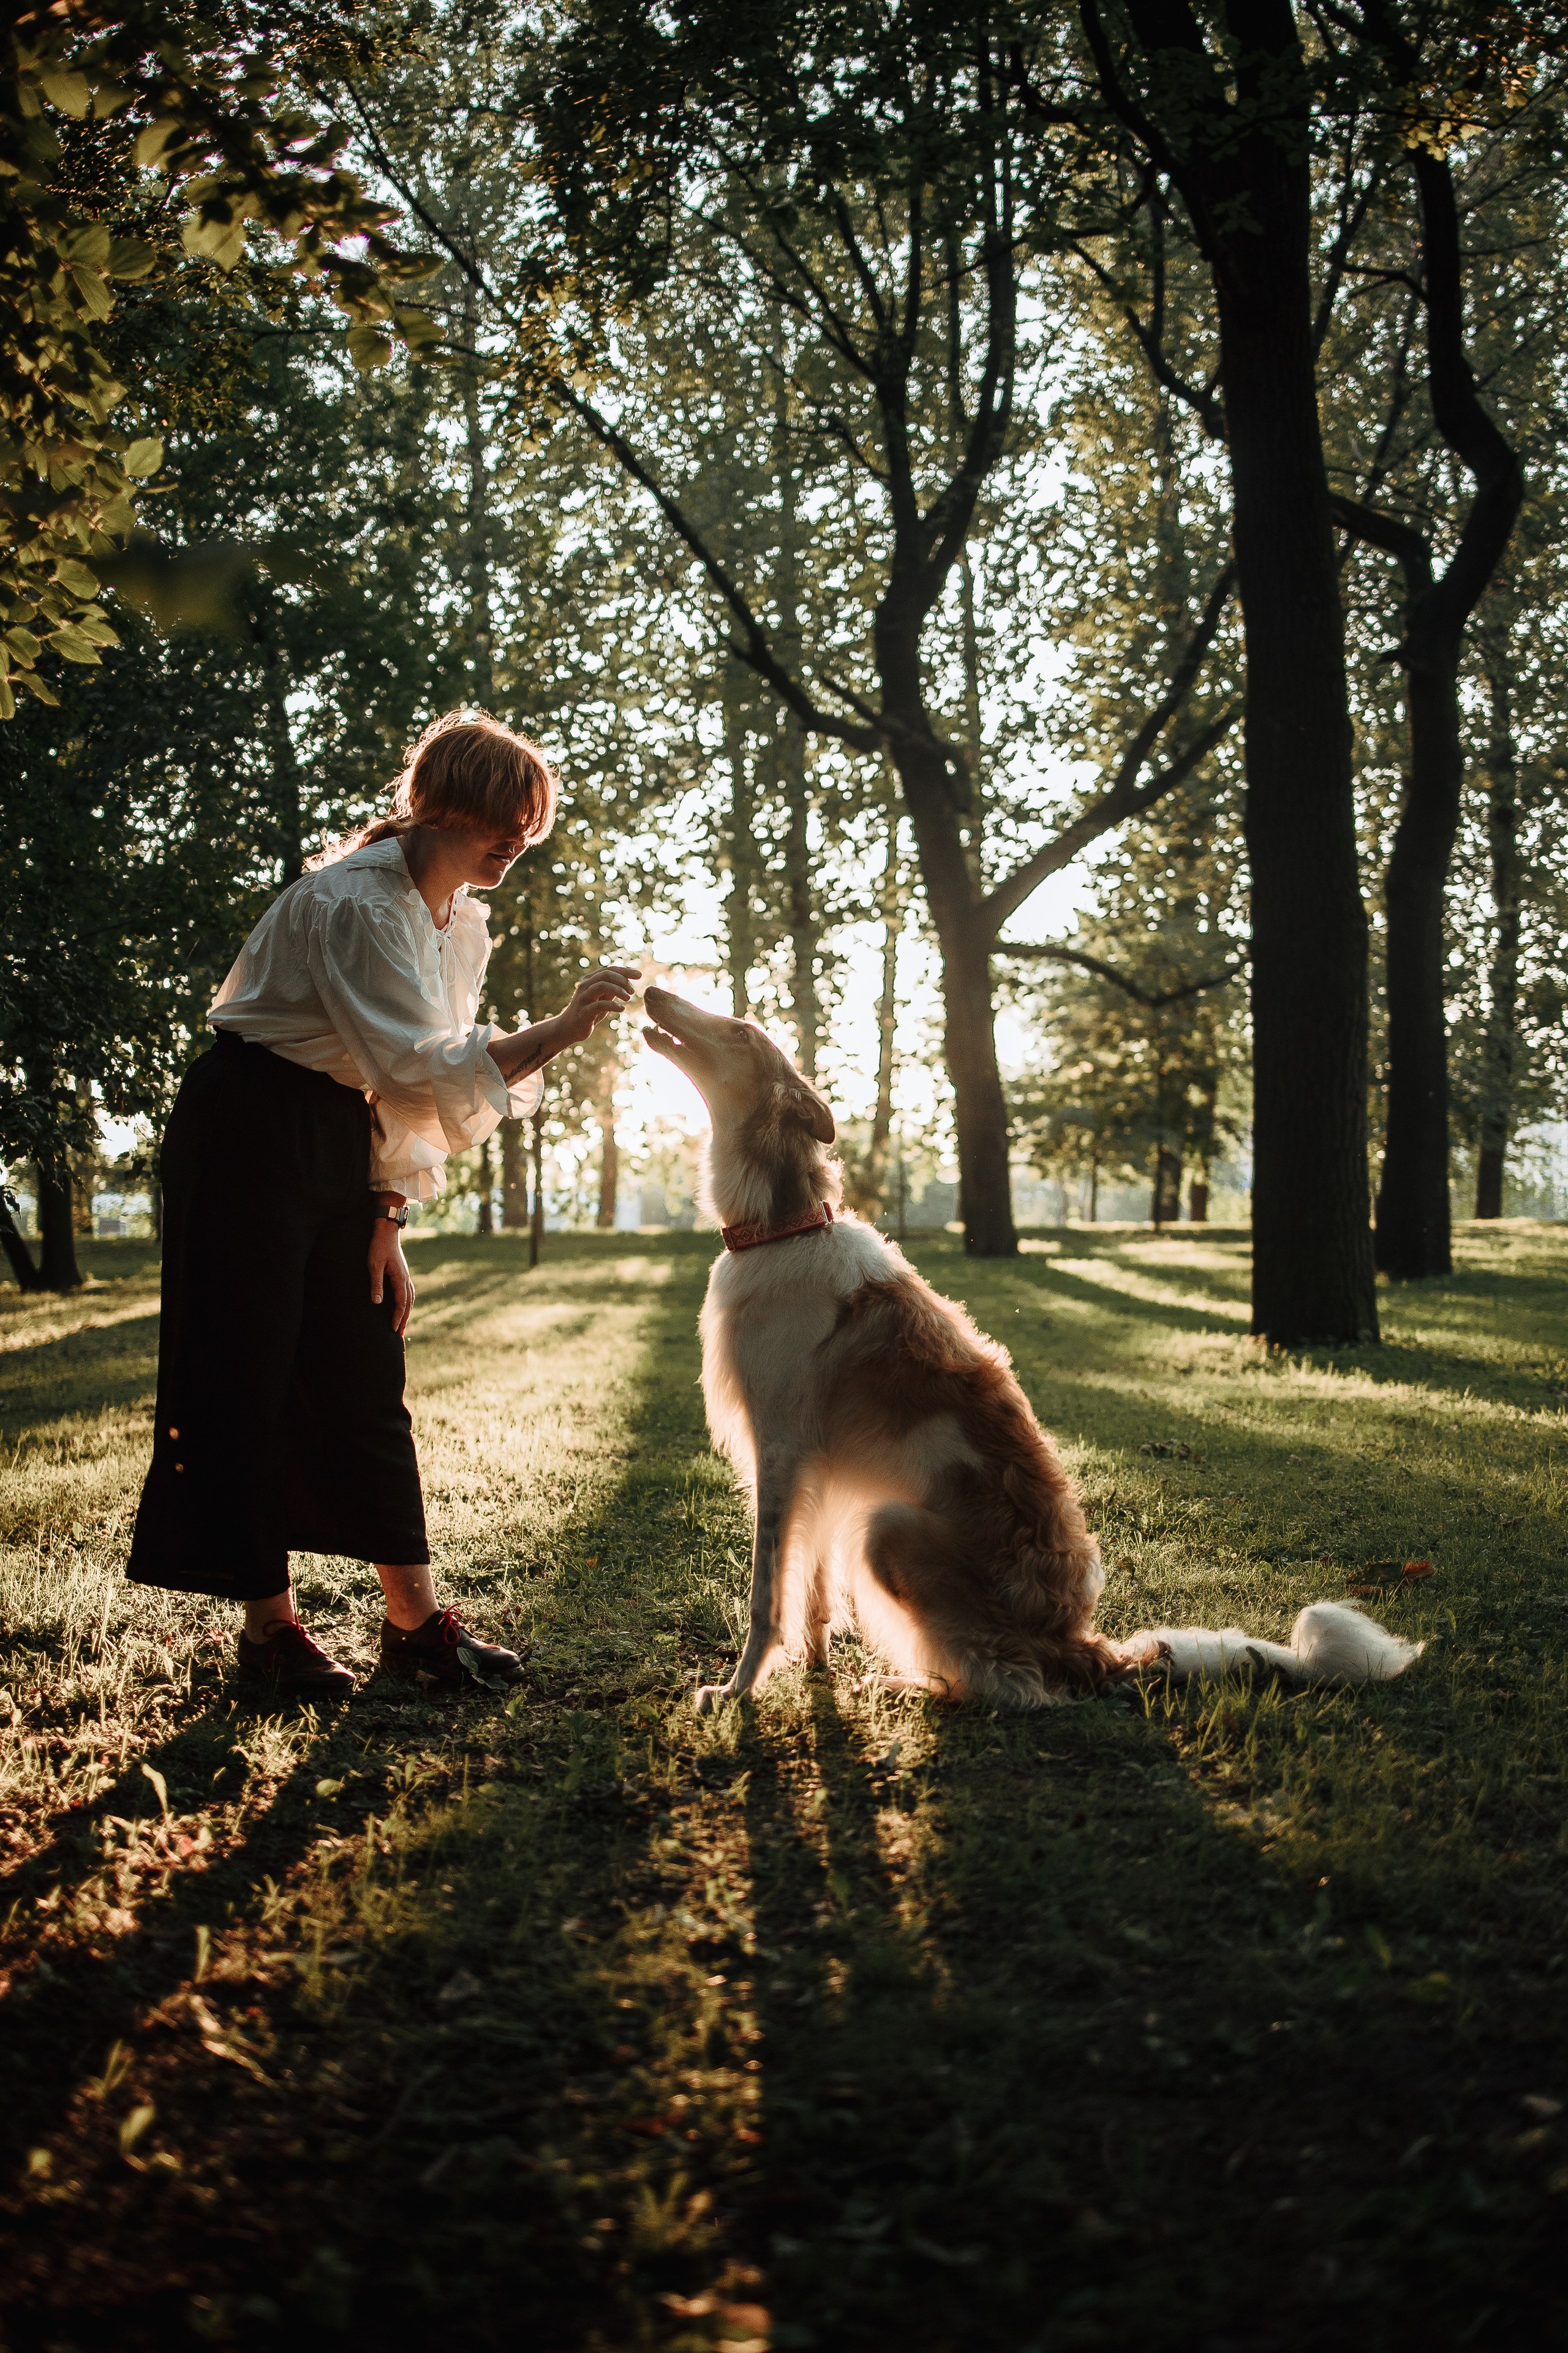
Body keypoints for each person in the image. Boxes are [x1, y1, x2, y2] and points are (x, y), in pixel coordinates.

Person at [127, 711, 638, 1701]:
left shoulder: (459, 917)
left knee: (367, 1366)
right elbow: (414, 1065)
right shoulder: (359, 903)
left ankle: (414, 1629)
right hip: (246, 1128)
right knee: (249, 1371)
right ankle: (269, 1634)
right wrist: (563, 1028)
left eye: (529, 827)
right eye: (502, 818)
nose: (514, 842)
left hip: (335, 1129)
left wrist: (387, 1213)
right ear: (440, 803)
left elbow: (403, 1088)